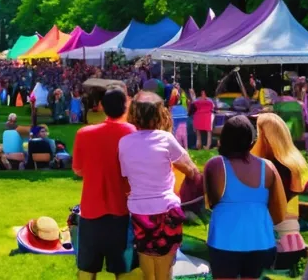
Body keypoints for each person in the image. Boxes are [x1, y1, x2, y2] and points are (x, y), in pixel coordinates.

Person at [119, 92, 199, 280]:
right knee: (165, 270)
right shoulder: (165, 138)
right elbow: (191, 170)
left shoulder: (124, 143)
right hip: (166, 210)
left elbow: (126, 178)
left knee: (148, 266)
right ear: (159, 114)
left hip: (139, 211)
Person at [204, 115, 288, 279]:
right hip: (261, 242)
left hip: (224, 242)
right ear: (252, 140)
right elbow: (279, 214)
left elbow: (210, 203)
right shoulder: (268, 167)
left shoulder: (215, 165)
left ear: (224, 139)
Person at [72, 86, 137, 279]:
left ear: (100, 106)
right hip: (122, 210)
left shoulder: (84, 133)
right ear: (126, 107)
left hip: (91, 210)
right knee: (122, 268)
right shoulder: (132, 133)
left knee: (87, 268)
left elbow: (78, 169)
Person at [250, 112, 308, 271]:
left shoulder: (268, 166)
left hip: (273, 236)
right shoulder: (294, 163)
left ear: (264, 136)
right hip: (292, 234)